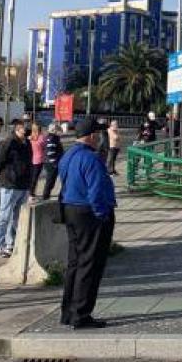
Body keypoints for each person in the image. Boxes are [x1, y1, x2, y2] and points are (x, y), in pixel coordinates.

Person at [59, 117, 118, 330]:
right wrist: (102, 215)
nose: (100, 138)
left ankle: (68, 311)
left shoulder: (68, 155)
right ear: (92, 136)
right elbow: (96, 191)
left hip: (71, 209)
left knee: (75, 262)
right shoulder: (91, 159)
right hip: (89, 214)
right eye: (98, 134)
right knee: (90, 264)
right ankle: (82, 314)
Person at [0, 120, 33, 257]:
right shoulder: (8, 143)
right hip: (10, 184)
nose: (28, 132)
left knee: (17, 217)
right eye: (25, 129)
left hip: (23, 185)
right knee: (4, 216)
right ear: (18, 129)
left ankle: (11, 243)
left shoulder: (27, 143)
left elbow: (29, 163)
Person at [39, 123, 65, 200]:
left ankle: (46, 195)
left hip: (51, 162)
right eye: (59, 130)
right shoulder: (52, 138)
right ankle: (45, 197)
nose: (60, 132)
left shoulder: (53, 137)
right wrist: (54, 163)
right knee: (50, 181)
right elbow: (50, 152)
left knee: (51, 181)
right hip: (51, 163)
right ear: (54, 130)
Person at [29, 122, 46, 191]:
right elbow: (44, 148)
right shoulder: (42, 138)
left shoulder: (29, 138)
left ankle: (29, 192)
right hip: (39, 160)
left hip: (30, 159)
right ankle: (31, 193)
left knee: (30, 177)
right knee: (35, 178)